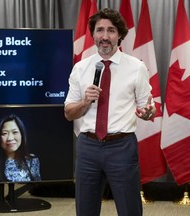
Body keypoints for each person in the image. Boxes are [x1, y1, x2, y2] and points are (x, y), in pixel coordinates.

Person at [64, 8, 156, 216]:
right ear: (93, 35)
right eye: (100, 30)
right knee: (85, 211)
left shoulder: (136, 67)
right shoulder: (81, 68)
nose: (105, 36)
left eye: (111, 31)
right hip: (88, 147)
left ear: (120, 35)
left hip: (121, 147)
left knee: (129, 209)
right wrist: (84, 102)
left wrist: (148, 112)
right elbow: (69, 113)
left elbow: (148, 107)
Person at [0, 114, 41, 183]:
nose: (10, 138)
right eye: (4, 133)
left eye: (15, 132)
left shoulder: (32, 160)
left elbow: (37, 188)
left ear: (22, 134)